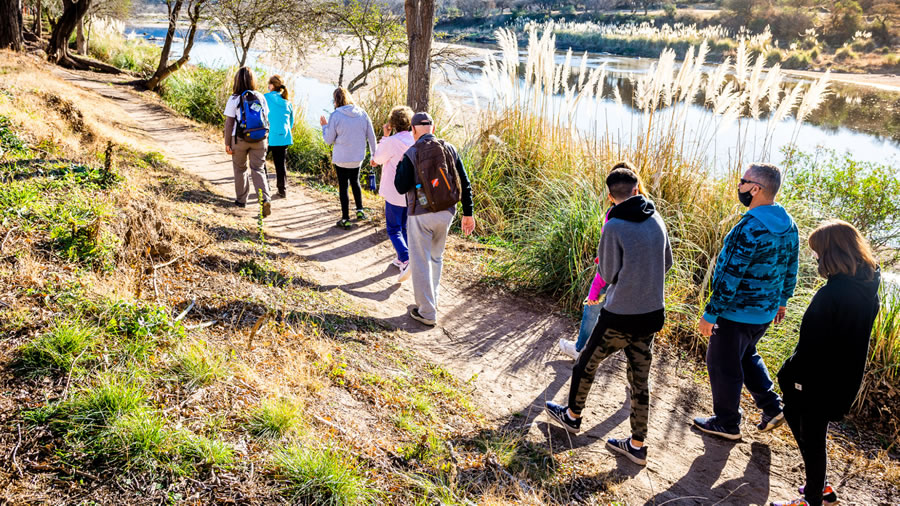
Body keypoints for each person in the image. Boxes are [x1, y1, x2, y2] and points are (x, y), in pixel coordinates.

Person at [545, 163, 673, 466]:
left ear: (609, 195)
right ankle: (637, 445)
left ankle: (572, 417)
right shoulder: (657, 218)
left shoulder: (614, 225)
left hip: (619, 315)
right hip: (652, 314)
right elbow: (666, 263)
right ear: (637, 189)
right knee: (639, 382)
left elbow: (607, 271)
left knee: (585, 364)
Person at [770, 220, 880, 506]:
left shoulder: (832, 294)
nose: (815, 257)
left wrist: (789, 374)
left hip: (818, 380)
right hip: (845, 379)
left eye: (817, 251)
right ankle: (818, 487)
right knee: (801, 421)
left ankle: (813, 498)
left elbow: (810, 345)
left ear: (832, 252)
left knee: (812, 435)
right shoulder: (868, 290)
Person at [694, 163, 799, 440]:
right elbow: (791, 266)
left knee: (722, 364)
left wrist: (711, 314)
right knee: (745, 354)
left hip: (735, 313)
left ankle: (727, 423)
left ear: (756, 188)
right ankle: (772, 407)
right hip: (764, 312)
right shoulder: (788, 224)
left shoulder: (750, 228)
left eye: (743, 181)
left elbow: (729, 275)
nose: (738, 185)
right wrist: (782, 301)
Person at [393, 112, 475, 326]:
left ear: (413, 130)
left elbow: (400, 186)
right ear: (433, 127)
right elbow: (464, 183)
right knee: (436, 258)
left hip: (421, 215)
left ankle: (427, 312)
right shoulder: (450, 148)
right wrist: (468, 213)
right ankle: (432, 302)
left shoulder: (411, 152)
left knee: (420, 261)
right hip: (447, 213)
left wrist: (400, 167)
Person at [320, 87, 377, 229]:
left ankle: (345, 218)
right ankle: (360, 211)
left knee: (343, 186)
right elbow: (372, 137)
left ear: (336, 100)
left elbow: (328, 140)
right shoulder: (362, 113)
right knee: (355, 181)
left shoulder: (335, 115)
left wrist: (324, 126)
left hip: (341, 158)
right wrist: (374, 155)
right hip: (357, 157)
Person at [370, 106, 415, 283]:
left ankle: (405, 258)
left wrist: (385, 136)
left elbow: (377, 159)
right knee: (404, 226)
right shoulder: (415, 139)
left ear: (393, 123)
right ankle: (402, 256)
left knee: (394, 228)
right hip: (411, 191)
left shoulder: (391, 141)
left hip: (395, 191)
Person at [224, 66, 271, 217]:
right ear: (253, 80)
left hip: (239, 139)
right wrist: (266, 141)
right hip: (259, 138)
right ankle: (265, 200)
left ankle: (241, 200)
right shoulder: (260, 97)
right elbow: (265, 119)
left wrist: (227, 143)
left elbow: (229, 123)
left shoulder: (234, 98)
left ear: (237, 80)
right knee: (258, 169)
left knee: (240, 169)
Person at [264, 75, 294, 198]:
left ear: (272, 85)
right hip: (283, 136)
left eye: (269, 84)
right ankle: (282, 190)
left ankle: (265, 186)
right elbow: (291, 122)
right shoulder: (287, 102)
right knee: (281, 165)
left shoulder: (265, 97)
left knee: (260, 162)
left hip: (268, 136)